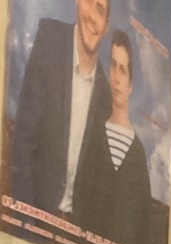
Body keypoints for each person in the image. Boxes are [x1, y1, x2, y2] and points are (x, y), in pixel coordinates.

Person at [8, 0, 113, 217]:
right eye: (88, 2)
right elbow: (24, 142)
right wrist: (26, 222)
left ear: (106, 27)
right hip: (35, 215)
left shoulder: (105, 95)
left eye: (100, 10)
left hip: (74, 228)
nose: (92, 16)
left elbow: (96, 183)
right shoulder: (50, 40)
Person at [73, 29, 151, 244]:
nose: (116, 77)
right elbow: (80, 200)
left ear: (130, 84)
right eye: (113, 66)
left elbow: (143, 228)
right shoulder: (92, 136)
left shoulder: (138, 154)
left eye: (123, 70)